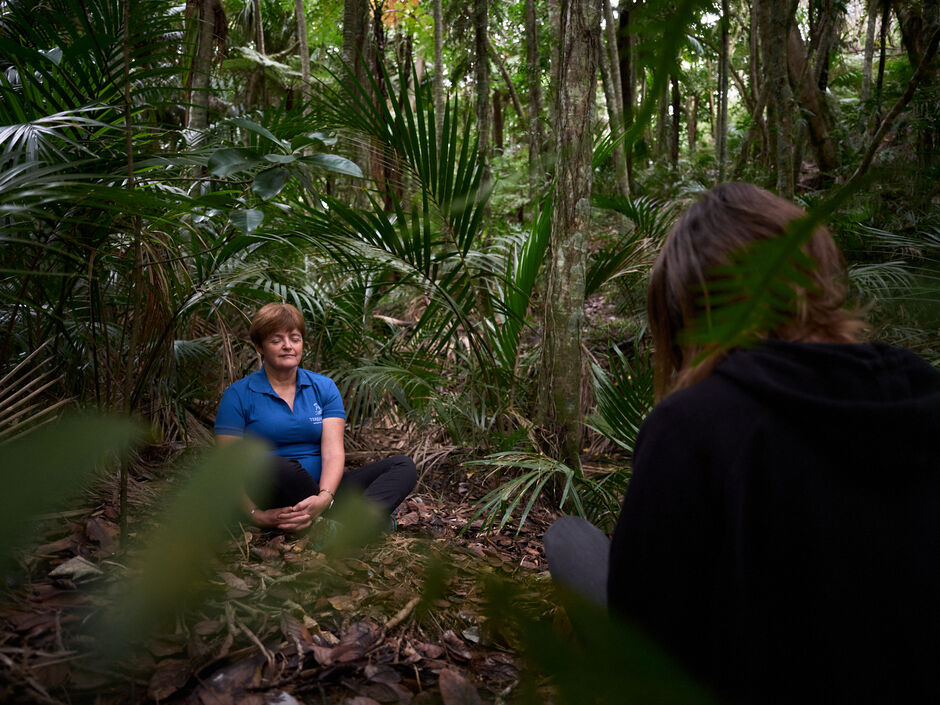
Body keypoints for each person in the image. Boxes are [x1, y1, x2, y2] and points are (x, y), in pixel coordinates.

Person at [544, 183, 940, 704]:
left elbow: (651, 643)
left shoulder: (691, 426)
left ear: (691, 309)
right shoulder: (921, 390)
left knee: (570, 539)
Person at [215, 302, 417, 533]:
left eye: (295, 338)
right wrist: (256, 515)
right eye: (276, 340)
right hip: (273, 491)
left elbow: (332, 453)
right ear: (259, 346)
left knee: (403, 466)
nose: (287, 346)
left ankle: (343, 526)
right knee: (271, 464)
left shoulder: (323, 387)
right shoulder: (238, 395)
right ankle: (360, 524)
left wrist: (324, 497)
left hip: (325, 492)